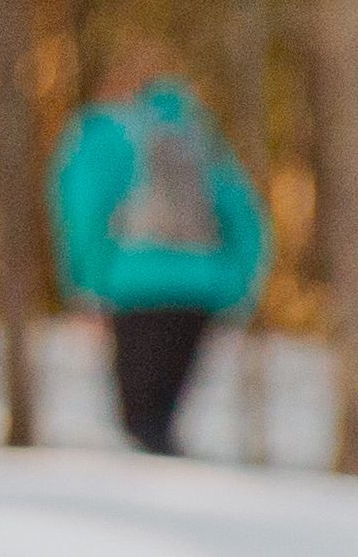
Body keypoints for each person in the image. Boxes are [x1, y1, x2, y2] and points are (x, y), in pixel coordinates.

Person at [45, 68, 273, 458]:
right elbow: (247, 220)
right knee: (161, 419)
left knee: (138, 422)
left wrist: (88, 283)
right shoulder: (203, 142)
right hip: (201, 289)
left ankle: (161, 499)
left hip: (134, 285)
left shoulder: (107, 133)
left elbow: (82, 211)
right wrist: (235, 292)